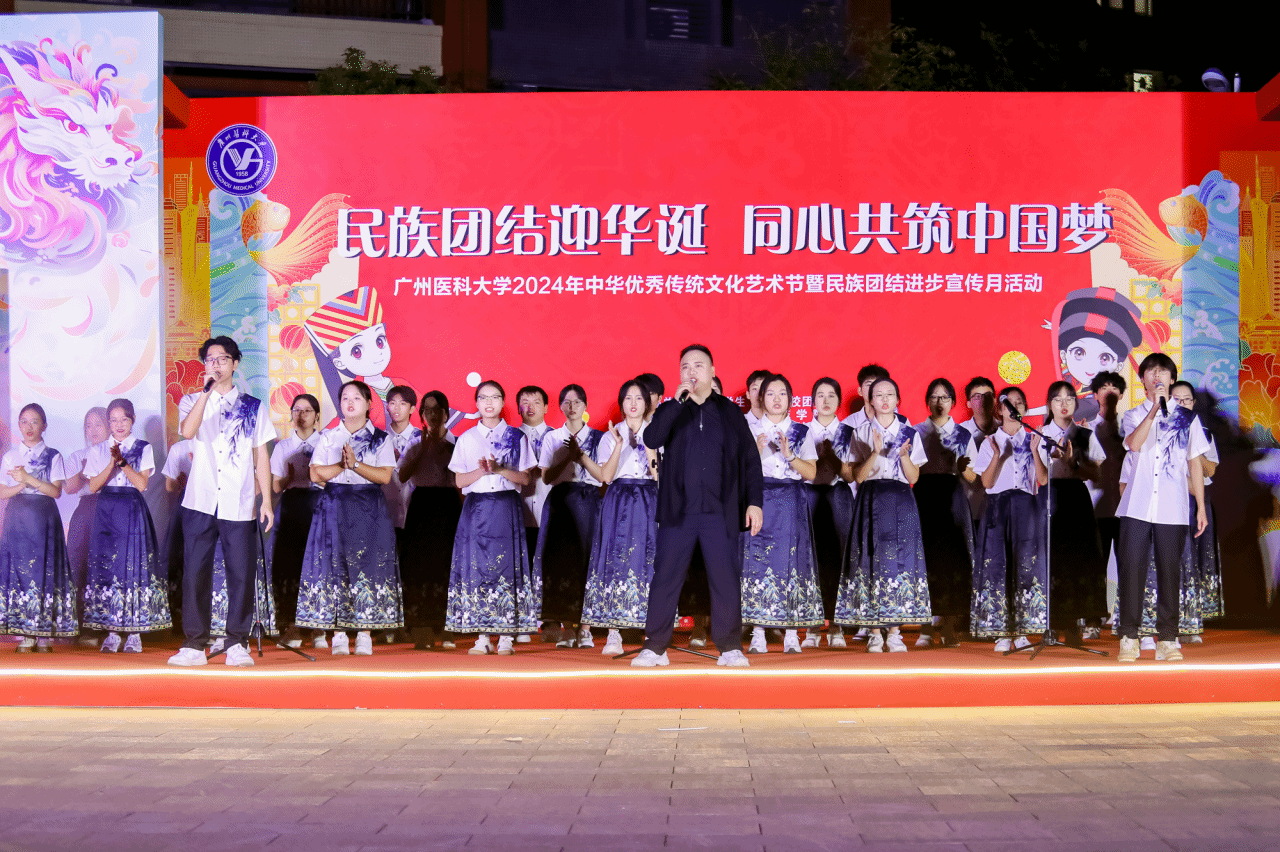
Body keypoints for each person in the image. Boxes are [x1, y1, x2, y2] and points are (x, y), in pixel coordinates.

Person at [631, 344, 763, 668]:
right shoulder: (671, 408)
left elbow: (750, 459)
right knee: (666, 577)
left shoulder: (729, 412)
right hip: (679, 511)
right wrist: (676, 403)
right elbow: (652, 439)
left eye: (698, 365)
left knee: (725, 579)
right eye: (685, 367)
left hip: (720, 510)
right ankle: (655, 647)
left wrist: (755, 503)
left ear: (713, 372)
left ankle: (730, 647)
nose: (691, 371)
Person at [169, 337, 276, 668]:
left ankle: (237, 642)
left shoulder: (253, 407)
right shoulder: (192, 400)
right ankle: (194, 644)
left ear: (235, 363)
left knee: (241, 573)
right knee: (195, 572)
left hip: (239, 501)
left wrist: (266, 501)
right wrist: (206, 393)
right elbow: (188, 432)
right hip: (200, 500)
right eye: (210, 359)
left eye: (222, 358)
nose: (215, 364)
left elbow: (261, 455)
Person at [296, 381, 404, 656]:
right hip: (334, 506)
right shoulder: (329, 437)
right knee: (335, 567)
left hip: (368, 508)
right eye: (345, 398)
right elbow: (315, 474)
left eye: (357, 397)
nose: (350, 402)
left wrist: (355, 464)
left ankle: (365, 634)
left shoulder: (380, 438)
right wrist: (341, 466)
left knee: (368, 567)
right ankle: (339, 634)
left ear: (368, 404)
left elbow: (383, 476)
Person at [1115, 354, 1209, 663]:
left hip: (1172, 507)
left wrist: (1200, 507)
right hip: (1137, 506)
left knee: (1170, 572)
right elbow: (1135, 444)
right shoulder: (1133, 415)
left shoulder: (1188, 419)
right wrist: (1155, 409)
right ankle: (1129, 638)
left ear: (1172, 379)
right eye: (1151, 372)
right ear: (1142, 379)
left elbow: (1194, 463)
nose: (1158, 376)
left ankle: (1168, 639)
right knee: (1132, 571)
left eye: (1163, 371)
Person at [836, 377, 930, 652]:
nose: (885, 399)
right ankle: (875, 633)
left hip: (901, 499)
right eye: (879, 395)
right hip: (871, 498)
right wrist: (875, 453)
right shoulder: (861, 432)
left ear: (898, 399)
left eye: (890, 394)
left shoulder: (909, 432)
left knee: (901, 562)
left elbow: (914, 477)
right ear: (870, 400)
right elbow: (858, 477)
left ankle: (895, 632)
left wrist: (904, 457)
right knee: (871, 560)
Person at [445, 380, 538, 655]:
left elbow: (525, 478)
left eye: (494, 397)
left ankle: (506, 635)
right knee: (477, 568)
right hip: (476, 508)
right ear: (476, 403)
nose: (488, 402)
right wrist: (482, 472)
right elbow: (459, 481)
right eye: (483, 397)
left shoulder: (516, 437)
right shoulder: (466, 438)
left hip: (505, 506)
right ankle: (482, 635)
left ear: (503, 402)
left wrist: (498, 469)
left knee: (507, 568)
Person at [743, 373, 823, 654]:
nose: (776, 399)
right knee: (756, 562)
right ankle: (758, 632)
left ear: (790, 399)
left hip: (791, 500)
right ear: (760, 398)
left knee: (792, 564)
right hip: (759, 498)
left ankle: (791, 633)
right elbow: (735, 473)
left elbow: (811, 473)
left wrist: (790, 456)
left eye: (782, 394)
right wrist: (754, 453)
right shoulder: (748, 429)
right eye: (770, 394)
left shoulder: (801, 431)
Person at [82, 398, 170, 651]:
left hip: (131, 509)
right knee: (108, 568)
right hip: (106, 510)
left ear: (132, 420)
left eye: (124, 419)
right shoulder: (99, 449)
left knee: (133, 568)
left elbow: (141, 484)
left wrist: (122, 462)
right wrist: (111, 463)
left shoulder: (143, 447)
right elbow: (93, 486)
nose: (119, 425)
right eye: (113, 420)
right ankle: (112, 632)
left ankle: (134, 633)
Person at [581, 380, 659, 655]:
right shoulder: (609, 436)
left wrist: (650, 443)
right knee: (615, 560)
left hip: (649, 499)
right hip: (619, 500)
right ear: (621, 403)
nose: (633, 403)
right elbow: (605, 476)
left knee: (649, 560)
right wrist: (618, 445)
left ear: (647, 403)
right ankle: (613, 633)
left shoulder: (658, 433)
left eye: (639, 398)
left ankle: (653, 631)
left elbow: (659, 475)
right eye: (628, 398)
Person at [970, 385, 1046, 652]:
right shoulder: (990, 442)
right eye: (1008, 403)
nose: (1014, 407)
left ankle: (1023, 630)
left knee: (1026, 568)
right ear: (1000, 410)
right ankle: (1001, 631)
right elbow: (987, 483)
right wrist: (998, 456)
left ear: (1025, 409)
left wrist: (1035, 451)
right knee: (997, 569)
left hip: (1027, 508)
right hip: (998, 509)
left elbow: (1043, 479)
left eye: (1019, 402)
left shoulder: (1035, 438)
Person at [535, 384, 606, 648]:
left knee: (589, 560)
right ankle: (566, 627)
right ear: (560, 407)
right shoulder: (553, 438)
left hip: (589, 500)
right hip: (561, 501)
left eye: (577, 402)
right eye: (566, 402)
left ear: (585, 406)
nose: (572, 407)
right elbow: (546, 477)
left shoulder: (599, 438)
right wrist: (567, 458)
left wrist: (581, 456)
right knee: (561, 562)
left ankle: (585, 628)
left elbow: (603, 476)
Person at [0, 403, 77, 650]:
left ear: (44, 426)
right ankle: (26, 633)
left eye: (34, 421)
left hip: (44, 519)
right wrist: (21, 485)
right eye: (24, 421)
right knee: (20, 573)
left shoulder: (53, 455)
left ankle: (44, 633)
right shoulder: (11, 456)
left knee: (45, 571)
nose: (29, 426)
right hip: (17, 519)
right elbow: (2, 492)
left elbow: (55, 491)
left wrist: (28, 478)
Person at [1037, 382, 1108, 644]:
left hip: (1076, 498)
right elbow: (1037, 476)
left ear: (1076, 404)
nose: (1064, 404)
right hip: (1049, 498)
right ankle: (1052, 623)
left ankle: (1076, 623)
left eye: (1069, 398)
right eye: (1057, 399)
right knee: (1051, 560)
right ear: (1049, 405)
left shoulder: (1085, 435)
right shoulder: (1039, 434)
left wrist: (1072, 463)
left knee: (1080, 559)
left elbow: (1096, 475)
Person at [911, 379, 978, 647]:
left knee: (953, 562)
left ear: (953, 402)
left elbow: (973, 477)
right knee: (924, 560)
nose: (940, 402)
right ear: (927, 401)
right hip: (924, 496)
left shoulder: (963, 435)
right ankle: (926, 629)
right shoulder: (915, 432)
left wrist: (961, 467)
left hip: (953, 498)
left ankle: (949, 629)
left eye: (945, 397)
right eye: (935, 397)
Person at [398, 390, 461, 649]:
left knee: (447, 565)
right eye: (427, 410)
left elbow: (463, 478)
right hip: (422, 505)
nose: (432, 415)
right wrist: (423, 449)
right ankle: (421, 627)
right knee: (419, 567)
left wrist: (447, 451)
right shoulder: (414, 444)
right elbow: (402, 476)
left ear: (446, 413)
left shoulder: (458, 443)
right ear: (422, 414)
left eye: (437, 410)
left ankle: (447, 628)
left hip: (448, 504)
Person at [800, 377, 855, 648]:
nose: (825, 400)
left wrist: (831, 456)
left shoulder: (847, 433)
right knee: (809, 559)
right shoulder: (802, 431)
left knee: (840, 559)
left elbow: (851, 474)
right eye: (820, 395)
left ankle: (837, 625)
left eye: (831, 395)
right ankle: (811, 627)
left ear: (838, 401)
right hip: (809, 496)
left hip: (838, 496)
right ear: (812, 401)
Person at [269, 392, 323, 647]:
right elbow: (276, 486)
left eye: (307, 411)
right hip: (291, 508)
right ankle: (291, 627)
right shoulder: (282, 447)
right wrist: (289, 479)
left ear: (317, 416)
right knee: (290, 567)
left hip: (318, 506)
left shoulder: (325, 443)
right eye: (296, 410)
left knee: (317, 565)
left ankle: (319, 628)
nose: (301, 415)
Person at [1172, 381, 1223, 638]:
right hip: (1171, 502)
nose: (1182, 404)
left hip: (1197, 503)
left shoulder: (1203, 432)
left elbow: (1210, 470)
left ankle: (1194, 619)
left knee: (1196, 559)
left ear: (1194, 403)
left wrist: (1193, 444)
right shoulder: (1162, 428)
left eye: (1187, 400)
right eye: (1177, 400)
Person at [62, 406, 108, 646]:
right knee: (78, 565)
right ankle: (79, 627)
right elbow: (70, 488)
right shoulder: (77, 455)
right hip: (85, 511)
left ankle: (106, 628)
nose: (93, 430)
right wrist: (83, 469)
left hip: (110, 509)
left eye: (98, 424)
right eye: (88, 425)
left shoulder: (115, 453)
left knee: (105, 568)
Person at [1087, 371, 1128, 639]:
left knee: (1127, 564)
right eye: (1104, 387)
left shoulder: (1130, 428)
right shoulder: (1085, 429)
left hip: (1125, 507)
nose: (1109, 391)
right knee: (1096, 566)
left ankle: (1125, 618)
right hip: (1096, 508)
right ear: (1095, 394)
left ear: (1121, 394)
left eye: (1114, 387)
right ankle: (1093, 619)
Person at [380, 384, 422, 644]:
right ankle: (387, 624)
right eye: (392, 403)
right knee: (386, 570)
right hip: (384, 513)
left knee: (412, 569)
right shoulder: (378, 438)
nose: (396, 408)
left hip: (414, 513)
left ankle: (412, 622)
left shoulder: (422, 439)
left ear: (413, 408)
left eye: (402, 403)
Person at [516, 384, 552, 638]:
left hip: (550, 509)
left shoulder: (558, 436)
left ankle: (550, 619)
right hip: (519, 510)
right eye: (525, 402)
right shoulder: (509, 437)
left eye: (536, 402)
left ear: (546, 407)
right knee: (521, 566)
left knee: (549, 566)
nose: (530, 407)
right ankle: (522, 620)